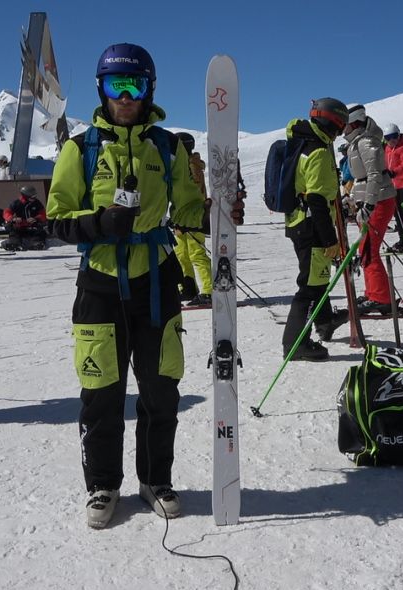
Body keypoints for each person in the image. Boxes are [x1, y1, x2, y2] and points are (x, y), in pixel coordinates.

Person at [46, 43, 239, 529]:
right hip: (100, 285)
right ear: (101, 89)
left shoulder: (168, 147)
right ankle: (103, 486)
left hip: (156, 282)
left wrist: (219, 211)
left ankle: (155, 479)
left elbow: (188, 210)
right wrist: (100, 223)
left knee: (160, 391)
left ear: (150, 89)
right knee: (101, 393)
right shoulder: (81, 148)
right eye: (117, 85)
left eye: (135, 85)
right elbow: (57, 218)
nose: (126, 96)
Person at [279, 98, 350, 361]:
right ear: (333, 123)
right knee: (308, 286)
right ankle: (296, 344)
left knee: (316, 278)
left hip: (299, 223)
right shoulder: (319, 151)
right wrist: (330, 239)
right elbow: (318, 200)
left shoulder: (302, 143)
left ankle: (324, 321)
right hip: (311, 226)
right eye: (340, 127)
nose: (339, 133)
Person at [344, 104, 398, 316]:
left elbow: (375, 175)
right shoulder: (358, 142)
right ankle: (374, 292)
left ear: (354, 123)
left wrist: (369, 204)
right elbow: (361, 178)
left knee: (368, 249)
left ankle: (381, 298)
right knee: (365, 249)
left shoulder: (367, 142)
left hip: (379, 201)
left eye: (345, 125)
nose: (343, 129)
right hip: (369, 200)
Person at [171, 131, 212, 306]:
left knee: (196, 253)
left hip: (194, 217)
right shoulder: (181, 164)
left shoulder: (191, 166)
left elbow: (191, 194)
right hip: (180, 217)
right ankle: (187, 287)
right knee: (181, 254)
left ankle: (209, 291)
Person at [382, 123, 403, 251]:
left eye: (394, 136)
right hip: (394, 184)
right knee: (397, 213)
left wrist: (394, 172)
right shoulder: (387, 149)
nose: (392, 140)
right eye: (388, 137)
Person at [1, 185, 48, 251]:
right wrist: (13, 219)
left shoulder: (37, 203)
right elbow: (6, 212)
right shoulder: (16, 203)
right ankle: (14, 244)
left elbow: (43, 214)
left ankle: (36, 244)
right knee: (14, 234)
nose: (34, 198)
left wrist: (36, 218)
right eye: (32, 197)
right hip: (20, 227)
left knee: (39, 234)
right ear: (25, 196)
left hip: (33, 227)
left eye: (35, 196)